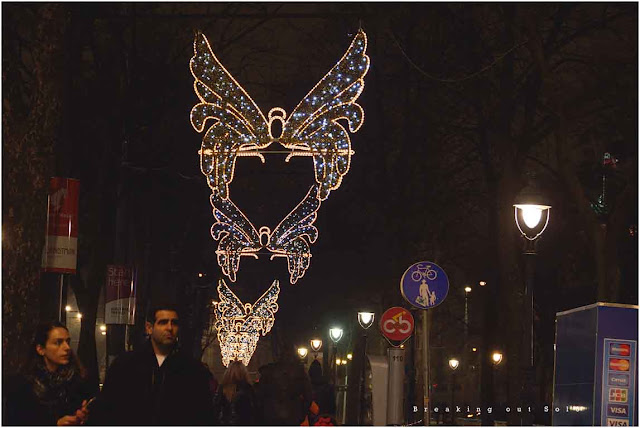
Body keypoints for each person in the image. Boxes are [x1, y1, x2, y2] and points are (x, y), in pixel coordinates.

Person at [89, 303, 214, 425]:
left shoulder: (192, 369)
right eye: (163, 322)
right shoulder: (126, 364)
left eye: (174, 323)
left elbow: (203, 414)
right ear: (149, 328)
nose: (169, 328)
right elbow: (108, 407)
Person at [3, 321, 92, 425]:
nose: (67, 348)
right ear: (41, 349)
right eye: (58, 342)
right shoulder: (22, 384)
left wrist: (82, 415)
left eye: (67, 341)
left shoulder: (77, 380)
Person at [254, 344, 312, 425]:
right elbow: (308, 396)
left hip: (271, 415)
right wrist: (301, 414)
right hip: (293, 415)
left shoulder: (269, 371)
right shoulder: (300, 371)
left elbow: (260, 396)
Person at [212, 360, 257, 425]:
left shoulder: (223, 387)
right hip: (244, 422)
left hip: (225, 422)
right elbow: (254, 408)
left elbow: (216, 406)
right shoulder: (247, 388)